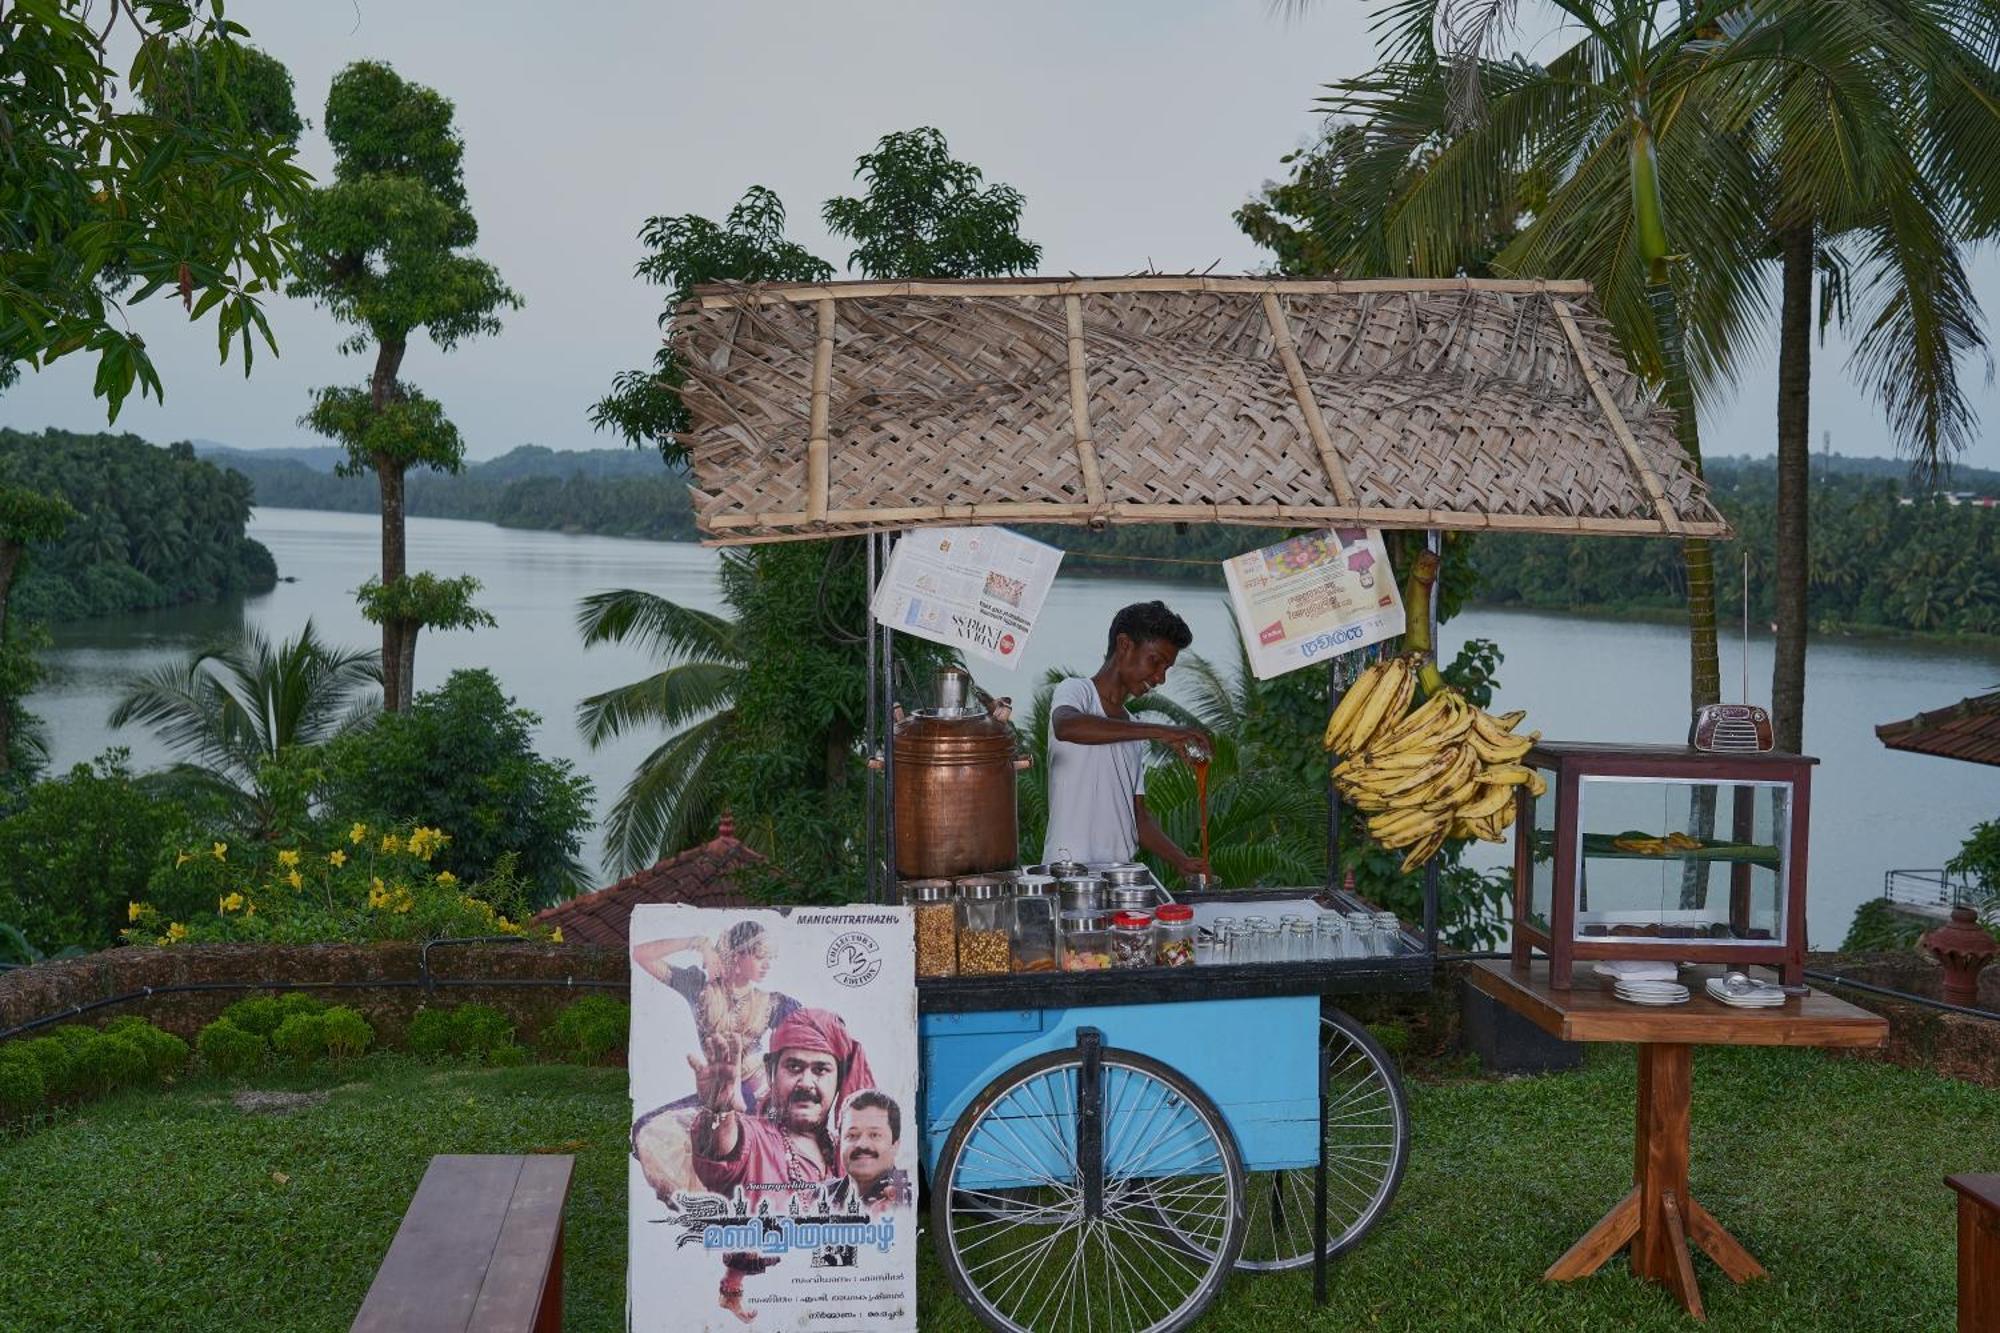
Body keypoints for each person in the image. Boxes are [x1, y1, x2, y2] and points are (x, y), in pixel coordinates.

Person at [684, 1008, 875, 1324]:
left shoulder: (843, 1151)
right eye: (794, 1067)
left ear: (840, 1079)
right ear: (772, 1072)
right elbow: (723, 1147)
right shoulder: (758, 1136)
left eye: (821, 1069)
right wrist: (718, 1111)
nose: (806, 1082)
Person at [1042, 600, 1212, 880]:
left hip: (1121, 876)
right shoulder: (1077, 691)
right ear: (1124, 645)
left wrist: (1180, 860)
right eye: (1155, 662)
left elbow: (1138, 818)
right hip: (1068, 873)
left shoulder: (1133, 728)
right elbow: (1066, 726)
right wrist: (1162, 731)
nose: (1160, 678)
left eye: (1166, 669)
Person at [833, 1090, 909, 1218]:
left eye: (874, 1135)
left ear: (895, 1145)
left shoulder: (906, 1200)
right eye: (852, 1135)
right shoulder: (818, 1197)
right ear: (839, 1142)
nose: (862, 1145)